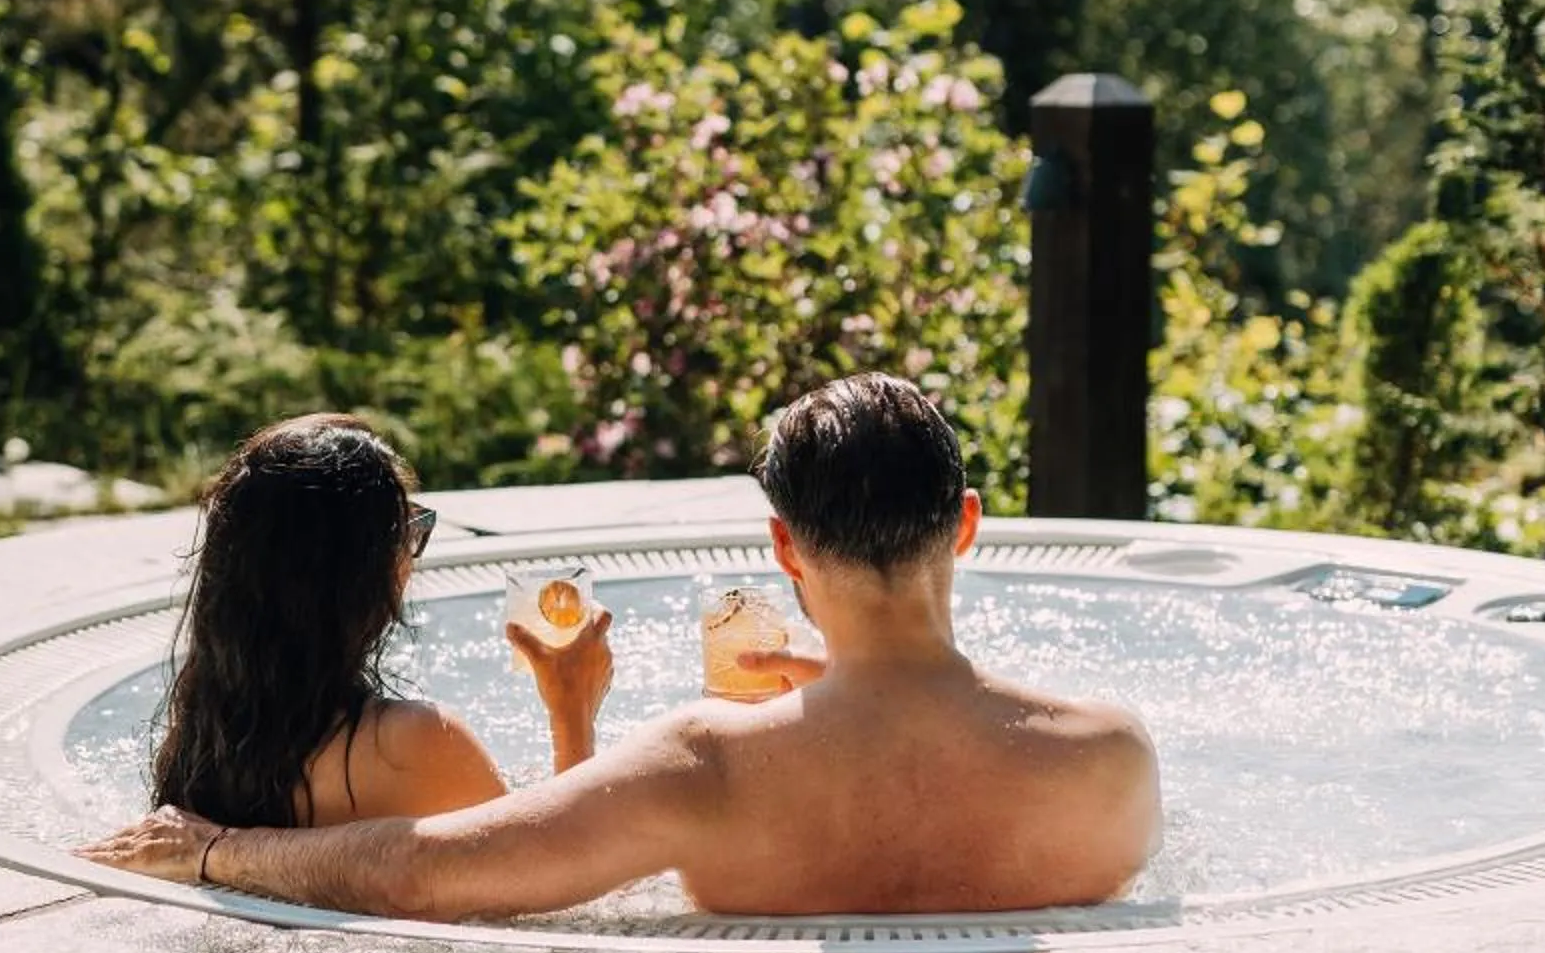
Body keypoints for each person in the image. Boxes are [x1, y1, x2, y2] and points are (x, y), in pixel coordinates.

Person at [81, 373, 1160, 917]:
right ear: (966, 525)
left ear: (782, 546)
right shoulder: (1108, 756)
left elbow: (425, 870)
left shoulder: (709, 762)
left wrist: (215, 852)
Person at [127, 413, 586, 850]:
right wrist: (571, 711)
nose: (410, 557)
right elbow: (560, 868)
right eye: (407, 531)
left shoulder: (204, 732)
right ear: (358, 575)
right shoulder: (416, 744)